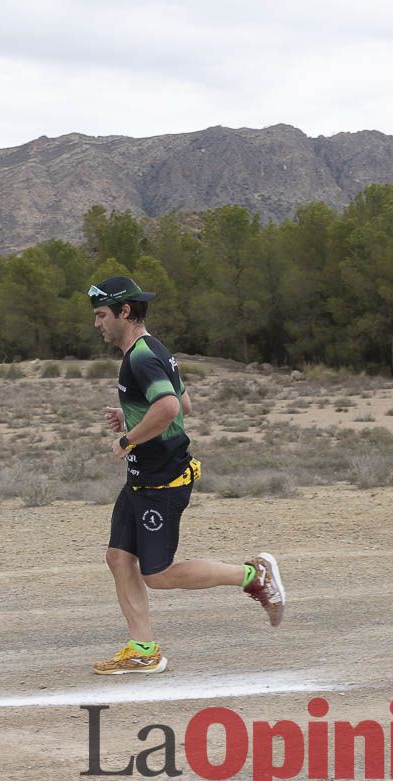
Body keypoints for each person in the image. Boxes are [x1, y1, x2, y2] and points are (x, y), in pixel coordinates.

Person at [88, 275, 285, 676]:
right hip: (143, 479)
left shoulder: (140, 358)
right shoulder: (153, 348)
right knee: (118, 558)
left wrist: (127, 439)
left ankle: (252, 574)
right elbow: (185, 403)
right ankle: (143, 649)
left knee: (157, 574)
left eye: (102, 315)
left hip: (161, 483)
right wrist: (132, 414)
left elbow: (171, 410)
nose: (97, 324)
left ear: (124, 311)